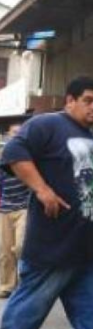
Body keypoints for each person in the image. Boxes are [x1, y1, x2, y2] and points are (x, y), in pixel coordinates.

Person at [0, 76, 93, 329]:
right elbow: (13, 153)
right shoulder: (47, 124)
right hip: (55, 240)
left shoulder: (91, 136)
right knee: (34, 298)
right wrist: (42, 189)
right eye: (89, 100)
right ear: (69, 100)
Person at [0, 124, 31, 298]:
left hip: (24, 208)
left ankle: (25, 282)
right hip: (5, 208)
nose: (16, 136)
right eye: (13, 133)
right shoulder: (3, 158)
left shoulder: (29, 158)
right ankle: (6, 285)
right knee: (4, 251)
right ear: (7, 136)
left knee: (20, 246)